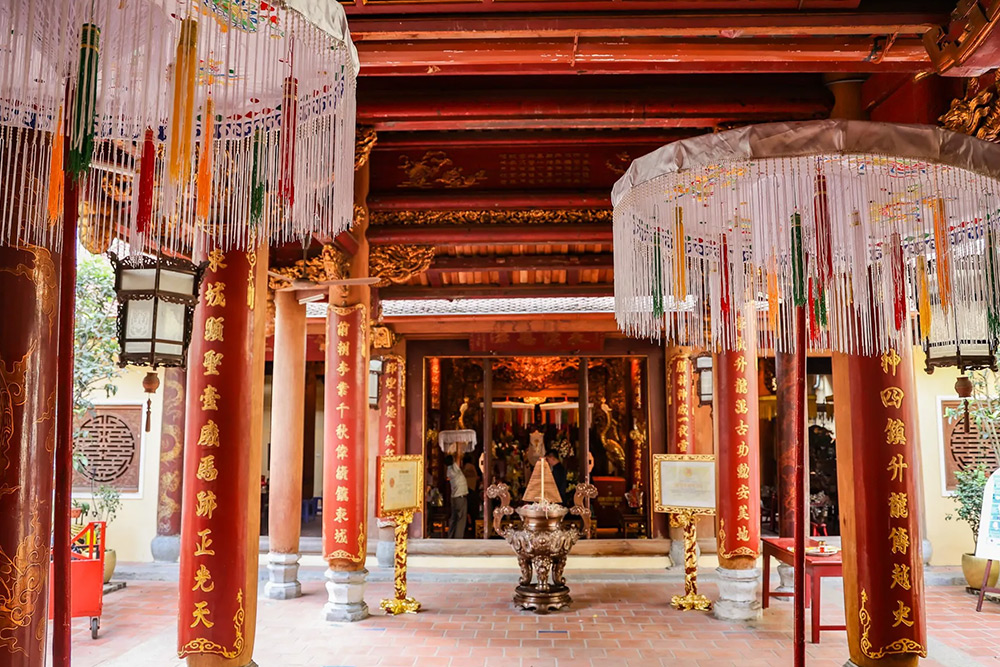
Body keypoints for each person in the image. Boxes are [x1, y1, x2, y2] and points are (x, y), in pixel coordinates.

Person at [444, 454, 468, 538]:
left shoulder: (449, 470)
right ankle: (458, 538)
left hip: (455, 497)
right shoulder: (454, 470)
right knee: (461, 519)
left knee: (454, 518)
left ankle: (451, 536)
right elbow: (458, 459)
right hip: (460, 497)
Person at [461, 452, 480, 520]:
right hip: (471, 490)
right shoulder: (471, 467)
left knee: (467, 510)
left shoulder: (468, 467)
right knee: (471, 511)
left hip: (468, 490)